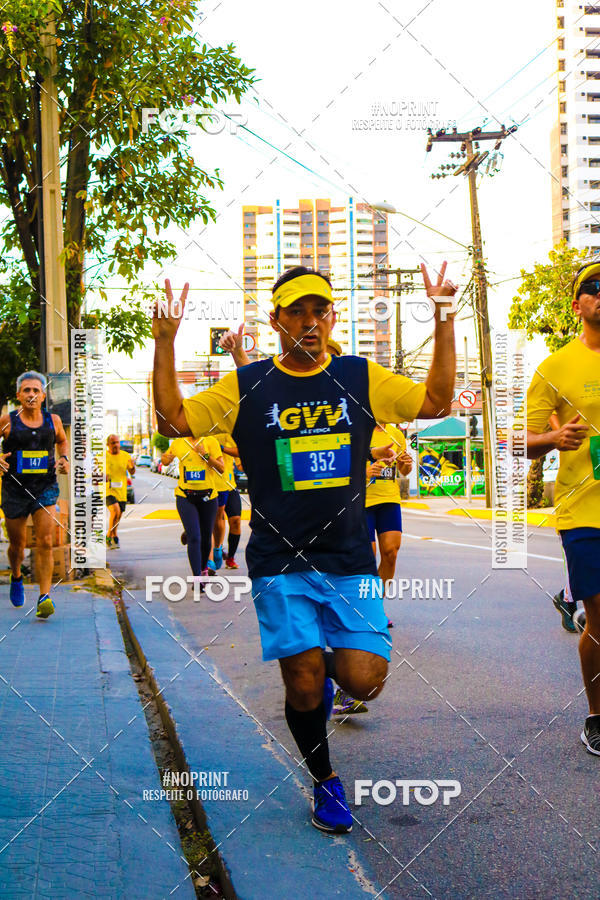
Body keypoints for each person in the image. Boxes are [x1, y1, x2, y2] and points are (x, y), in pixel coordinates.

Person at [154, 264, 457, 833]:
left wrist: (444, 314)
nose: (310, 322)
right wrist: (164, 343)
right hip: (279, 560)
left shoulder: (360, 376)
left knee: (364, 679)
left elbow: (438, 401)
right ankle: (325, 780)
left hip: (348, 559)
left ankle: (324, 680)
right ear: (276, 321)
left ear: (332, 318)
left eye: (320, 311)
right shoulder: (247, 387)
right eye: (296, 311)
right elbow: (174, 419)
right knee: (304, 677)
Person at [526, 260, 600, 755]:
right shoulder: (554, 367)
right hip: (583, 512)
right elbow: (523, 441)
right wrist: (554, 437)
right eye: (593, 288)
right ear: (577, 305)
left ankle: (567, 597)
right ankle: (597, 715)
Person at [0, 371, 69, 617]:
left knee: (46, 541)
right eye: (26, 390)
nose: (31, 394)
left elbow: (62, 441)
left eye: (36, 390)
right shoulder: (7, 421)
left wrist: (64, 457)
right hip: (14, 490)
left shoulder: (54, 421)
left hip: (45, 487)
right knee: (17, 544)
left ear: (43, 395)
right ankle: (17, 575)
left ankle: (44, 597)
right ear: (19, 395)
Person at [366, 423, 413, 629]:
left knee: (391, 552)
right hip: (362, 501)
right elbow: (344, 463)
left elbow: (403, 470)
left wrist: (407, 463)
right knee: (367, 557)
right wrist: (366, 471)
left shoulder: (395, 434)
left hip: (389, 499)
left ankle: (376, 607)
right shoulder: (359, 428)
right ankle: (362, 608)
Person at [162, 436, 224, 585]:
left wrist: (205, 455)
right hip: (185, 495)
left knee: (205, 537)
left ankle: (203, 568)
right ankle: (197, 578)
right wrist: (166, 458)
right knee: (194, 537)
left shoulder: (211, 441)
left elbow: (221, 468)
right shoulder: (178, 442)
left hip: (208, 497)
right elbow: (164, 460)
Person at [206, 433, 243, 571]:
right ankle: (214, 553)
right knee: (214, 520)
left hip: (229, 485)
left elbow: (240, 461)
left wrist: (222, 448)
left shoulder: (229, 433)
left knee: (236, 521)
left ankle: (230, 557)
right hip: (210, 485)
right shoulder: (204, 433)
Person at [105, 435, 135, 548]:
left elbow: (132, 472)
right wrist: (103, 476)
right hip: (108, 489)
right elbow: (99, 472)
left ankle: (114, 534)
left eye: (117, 442)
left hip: (121, 490)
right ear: (108, 445)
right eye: (113, 443)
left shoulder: (125, 456)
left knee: (119, 514)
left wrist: (132, 467)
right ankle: (108, 535)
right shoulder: (104, 457)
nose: (116, 445)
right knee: (115, 511)